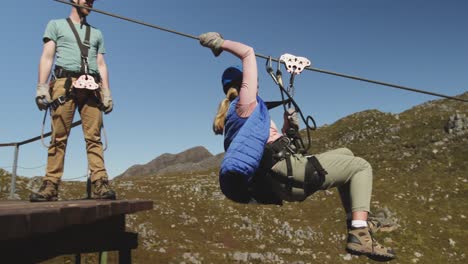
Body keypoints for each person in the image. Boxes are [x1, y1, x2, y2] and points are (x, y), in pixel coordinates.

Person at [199, 32, 396, 261]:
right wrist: (220, 44)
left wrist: (286, 129)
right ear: (243, 84)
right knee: (361, 166)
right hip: (286, 171)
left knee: (346, 154)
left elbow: (266, 147)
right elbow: (248, 53)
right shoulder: (246, 103)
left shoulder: (240, 118)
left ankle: (357, 223)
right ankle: (360, 232)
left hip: (279, 176)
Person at [30, 0, 115, 201]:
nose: (90, 2)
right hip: (64, 83)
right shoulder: (56, 25)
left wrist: (107, 91)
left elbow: (101, 64)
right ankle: (51, 184)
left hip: (92, 87)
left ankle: (100, 183)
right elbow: (47, 56)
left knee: (94, 137)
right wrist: (42, 87)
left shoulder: (97, 33)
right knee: (58, 136)